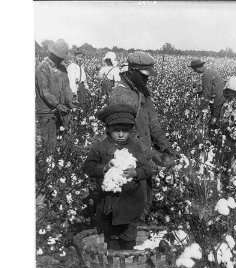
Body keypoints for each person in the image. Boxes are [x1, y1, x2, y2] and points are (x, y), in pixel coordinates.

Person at [107, 51, 174, 215]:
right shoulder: (120, 95)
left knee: (145, 199)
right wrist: (150, 156)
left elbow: (153, 123)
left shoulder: (142, 91)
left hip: (144, 154)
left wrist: (165, 147)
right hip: (128, 158)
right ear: (132, 71)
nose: (147, 79)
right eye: (144, 75)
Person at [83, 104, 152, 250]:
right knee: (111, 240)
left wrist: (136, 173)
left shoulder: (135, 147)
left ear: (130, 131)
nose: (121, 134)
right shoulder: (100, 147)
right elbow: (88, 167)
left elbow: (148, 168)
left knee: (128, 240)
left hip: (131, 203)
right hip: (109, 204)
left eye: (125, 131)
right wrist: (104, 168)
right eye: (116, 131)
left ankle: (128, 264)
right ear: (108, 129)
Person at [36, 39, 74, 153]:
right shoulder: (43, 68)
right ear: (53, 54)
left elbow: (67, 87)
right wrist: (57, 104)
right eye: (59, 57)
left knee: (64, 141)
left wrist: (70, 101)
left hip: (61, 110)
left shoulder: (62, 68)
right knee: (50, 145)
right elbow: (45, 92)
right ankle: (49, 168)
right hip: (47, 112)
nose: (61, 60)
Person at [189, 59, 226, 125]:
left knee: (214, 120)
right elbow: (212, 87)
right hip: (222, 97)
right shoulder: (210, 71)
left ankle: (213, 130)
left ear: (197, 67)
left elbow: (207, 94)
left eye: (194, 69)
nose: (194, 71)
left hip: (217, 100)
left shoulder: (206, 75)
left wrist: (200, 109)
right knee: (217, 117)